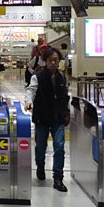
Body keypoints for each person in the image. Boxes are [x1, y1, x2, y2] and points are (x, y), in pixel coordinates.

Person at [25, 47, 70, 192]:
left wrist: (67, 111)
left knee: (59, 146)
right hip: (42, 117)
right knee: (40, 147)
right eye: (50, 60)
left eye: (55, 60)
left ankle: (58, 177)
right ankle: (40, 166)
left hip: (58, 117)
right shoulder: (37, 77)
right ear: (45, 61)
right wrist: (28, 101)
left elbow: (65, 96)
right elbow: (31, 90)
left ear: (59, 61)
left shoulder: (63, 77)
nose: (53, 62)